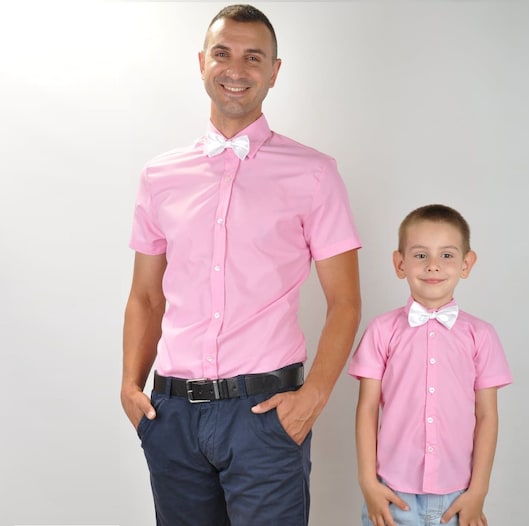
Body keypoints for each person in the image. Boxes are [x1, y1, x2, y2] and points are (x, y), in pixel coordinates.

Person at [120, 4, 361, 525]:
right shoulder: (160, 176)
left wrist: (313, 397)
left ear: (274, 71)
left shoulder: (315, 174)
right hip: (171, 415)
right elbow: (146, 296)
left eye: (253, 57)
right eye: (223, 53)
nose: (236, 69)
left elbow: (344, 302)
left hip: (264, 415)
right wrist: (130, 388)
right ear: (202, 62)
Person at [348, 204, 512, 526]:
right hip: (391, 494)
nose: (433, 265)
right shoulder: (381, 330)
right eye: (421, 255)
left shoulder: (481, 335)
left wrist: (478, 491)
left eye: (447, 255)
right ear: (400, 263)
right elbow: (367, 408)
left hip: (459, 497)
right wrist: (368, 482)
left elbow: (487, 415)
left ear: (467, 264)